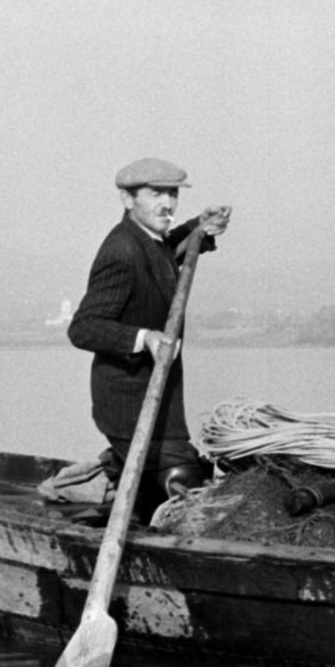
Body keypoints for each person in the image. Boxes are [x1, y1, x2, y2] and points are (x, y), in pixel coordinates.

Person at [68, 157, 231, 515]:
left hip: (161, 400)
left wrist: (199, 228)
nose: (167, 204)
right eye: (154, 194)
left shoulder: (149, 238)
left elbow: (166, 251)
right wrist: (146, 338)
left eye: (172, 193)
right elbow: (83, 327)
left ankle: (128, 498)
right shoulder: (121, 250)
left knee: (150, 496)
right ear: (128, 200)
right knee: (185, 478)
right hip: (129, 404)